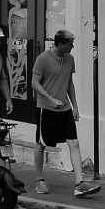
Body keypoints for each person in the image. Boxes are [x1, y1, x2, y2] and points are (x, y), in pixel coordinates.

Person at [31, 30, 99, 198]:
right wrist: (51, 99)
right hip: (46, 108)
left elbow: (69, 83)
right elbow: (34, 83)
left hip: (65, 108)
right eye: (70, 44)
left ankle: (79, 183)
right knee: (41, 144)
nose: (72, 46)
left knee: (74, 142)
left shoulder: (70, 59)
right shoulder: (43, 59)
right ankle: (39, 179)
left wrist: (75, 106)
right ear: (60, 44)